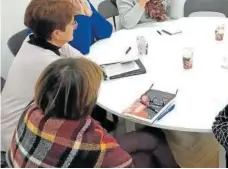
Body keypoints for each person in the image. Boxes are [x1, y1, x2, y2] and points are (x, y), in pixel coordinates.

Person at [6, 58, 178, 168]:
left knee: (149, 139)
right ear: (85, 100)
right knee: (149, 153)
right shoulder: (90, 140)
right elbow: (125, 164)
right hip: (80, 156)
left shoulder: (32, 110)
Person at [1, 0, 81, 151]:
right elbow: (84, 82)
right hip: (17, 135)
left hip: (25, 117)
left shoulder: (35, 39)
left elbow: (81, 60)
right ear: (57, 33)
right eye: (73, 23)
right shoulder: (49, 63)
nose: (75, 26)